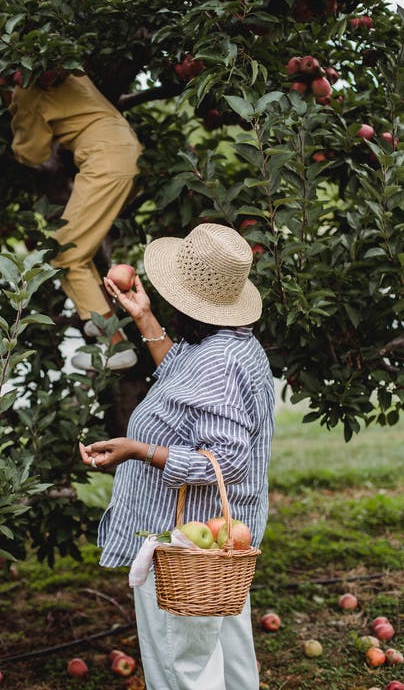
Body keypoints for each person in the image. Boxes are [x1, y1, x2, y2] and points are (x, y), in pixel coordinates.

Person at [79, 222, 275, 690]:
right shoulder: (225, 344)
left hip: (186, 541)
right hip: (217, 540)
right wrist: (145, 318)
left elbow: (225, 460)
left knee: (181, 664)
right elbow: (189, 387)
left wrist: (139, 450)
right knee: (226, 657)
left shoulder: (221, 361)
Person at [9, 71, 143, 370]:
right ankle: (104, 324)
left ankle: (115, 345)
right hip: (125, 150)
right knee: (78, 252)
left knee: (65, 252)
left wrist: (17, 111)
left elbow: (33, 152)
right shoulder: (67, 69)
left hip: (105, 162)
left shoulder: (27, 88)